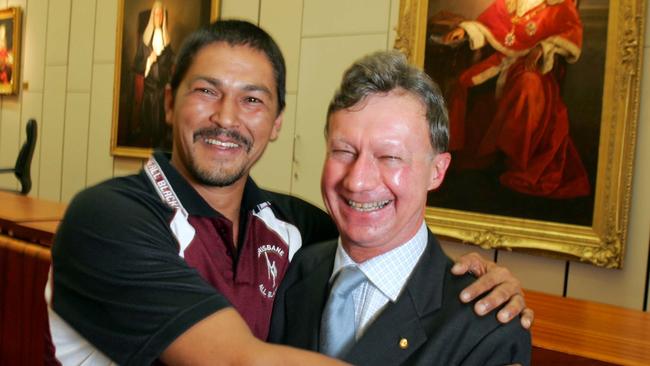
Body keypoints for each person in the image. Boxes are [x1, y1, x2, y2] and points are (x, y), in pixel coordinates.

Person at [48, 20, 531, 365]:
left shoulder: (292, 229)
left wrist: (472, 274)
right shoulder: (105, 219)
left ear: (277, 122)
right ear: (170, 103)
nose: (228, 118)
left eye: (252, 99)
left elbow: (384, 239)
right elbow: (240, 361)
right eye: (206, 91)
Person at [269, 51, 531, 365]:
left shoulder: (487, 329)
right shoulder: (295, 269)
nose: (358, 181)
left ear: (437, 171)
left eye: (390, 157)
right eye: (343, 151)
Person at [442, 0, 590, 198]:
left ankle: (513, 160)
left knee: (527, 86)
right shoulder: (510, 3)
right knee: (463, 82)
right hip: (502, 63)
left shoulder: (561, 5)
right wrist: (466, 30)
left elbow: (569, 37)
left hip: (536, 68)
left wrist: (543, 49)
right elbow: (489, 25)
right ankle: (462, 152)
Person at [132, 0, 175, 149]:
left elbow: (171, 65)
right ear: (152, 16)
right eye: (156, 14)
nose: (159, 18)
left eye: (161, 15)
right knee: (148, 122)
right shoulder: (145, 41)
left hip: (161, 91)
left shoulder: (167, 42)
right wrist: (149, 61)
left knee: (159, 125)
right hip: (149, 91)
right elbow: (137, 65)